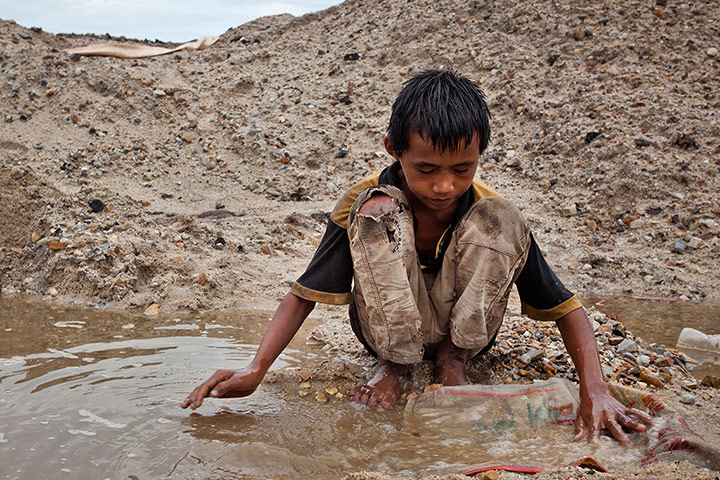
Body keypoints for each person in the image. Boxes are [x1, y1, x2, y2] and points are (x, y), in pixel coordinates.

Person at [181, 70, 652, 443]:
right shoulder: (362, 203)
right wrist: (256, 367)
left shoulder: (487, 209)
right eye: (426, 169)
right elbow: (303, 294)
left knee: (504, 215)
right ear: (395, 150)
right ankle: (396, 366)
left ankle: (452, 361)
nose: (444, 185)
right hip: (385, 333)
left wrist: (596, 388)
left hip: (465, 334)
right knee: (376, 211)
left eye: (461, 169)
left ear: (479, 157)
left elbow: (566, 306)